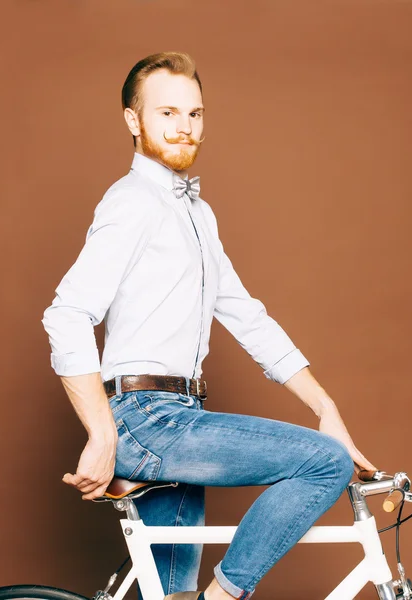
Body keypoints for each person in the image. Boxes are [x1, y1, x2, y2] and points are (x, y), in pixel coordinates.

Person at [42, 51, 377, 600]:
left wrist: (326, 408)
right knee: (325, 462)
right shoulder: (132, 202)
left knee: (172, 593)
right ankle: (222, 598)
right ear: (133, 120)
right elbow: (67, 314)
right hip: (148, 421)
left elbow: (246, 315)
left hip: (179, 417)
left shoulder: (196, 212)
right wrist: (102, 433)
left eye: (195, 114)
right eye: (167, 112)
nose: (185, 127)